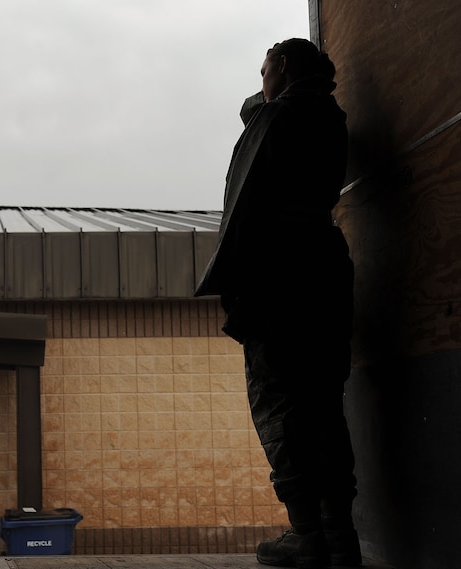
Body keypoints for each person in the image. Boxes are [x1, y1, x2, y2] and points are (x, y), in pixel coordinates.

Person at [195, 38, 361, 568]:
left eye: (264, 68)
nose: (260, 80)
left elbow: (244, 206)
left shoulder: (280, 120)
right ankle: (339, 535)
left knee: (280, 400)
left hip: (281, 273)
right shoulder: (329, 119)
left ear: (283, 67)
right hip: (325, 267)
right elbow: (257, 106)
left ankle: (305, 532)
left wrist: (237, 290)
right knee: (324, 402)